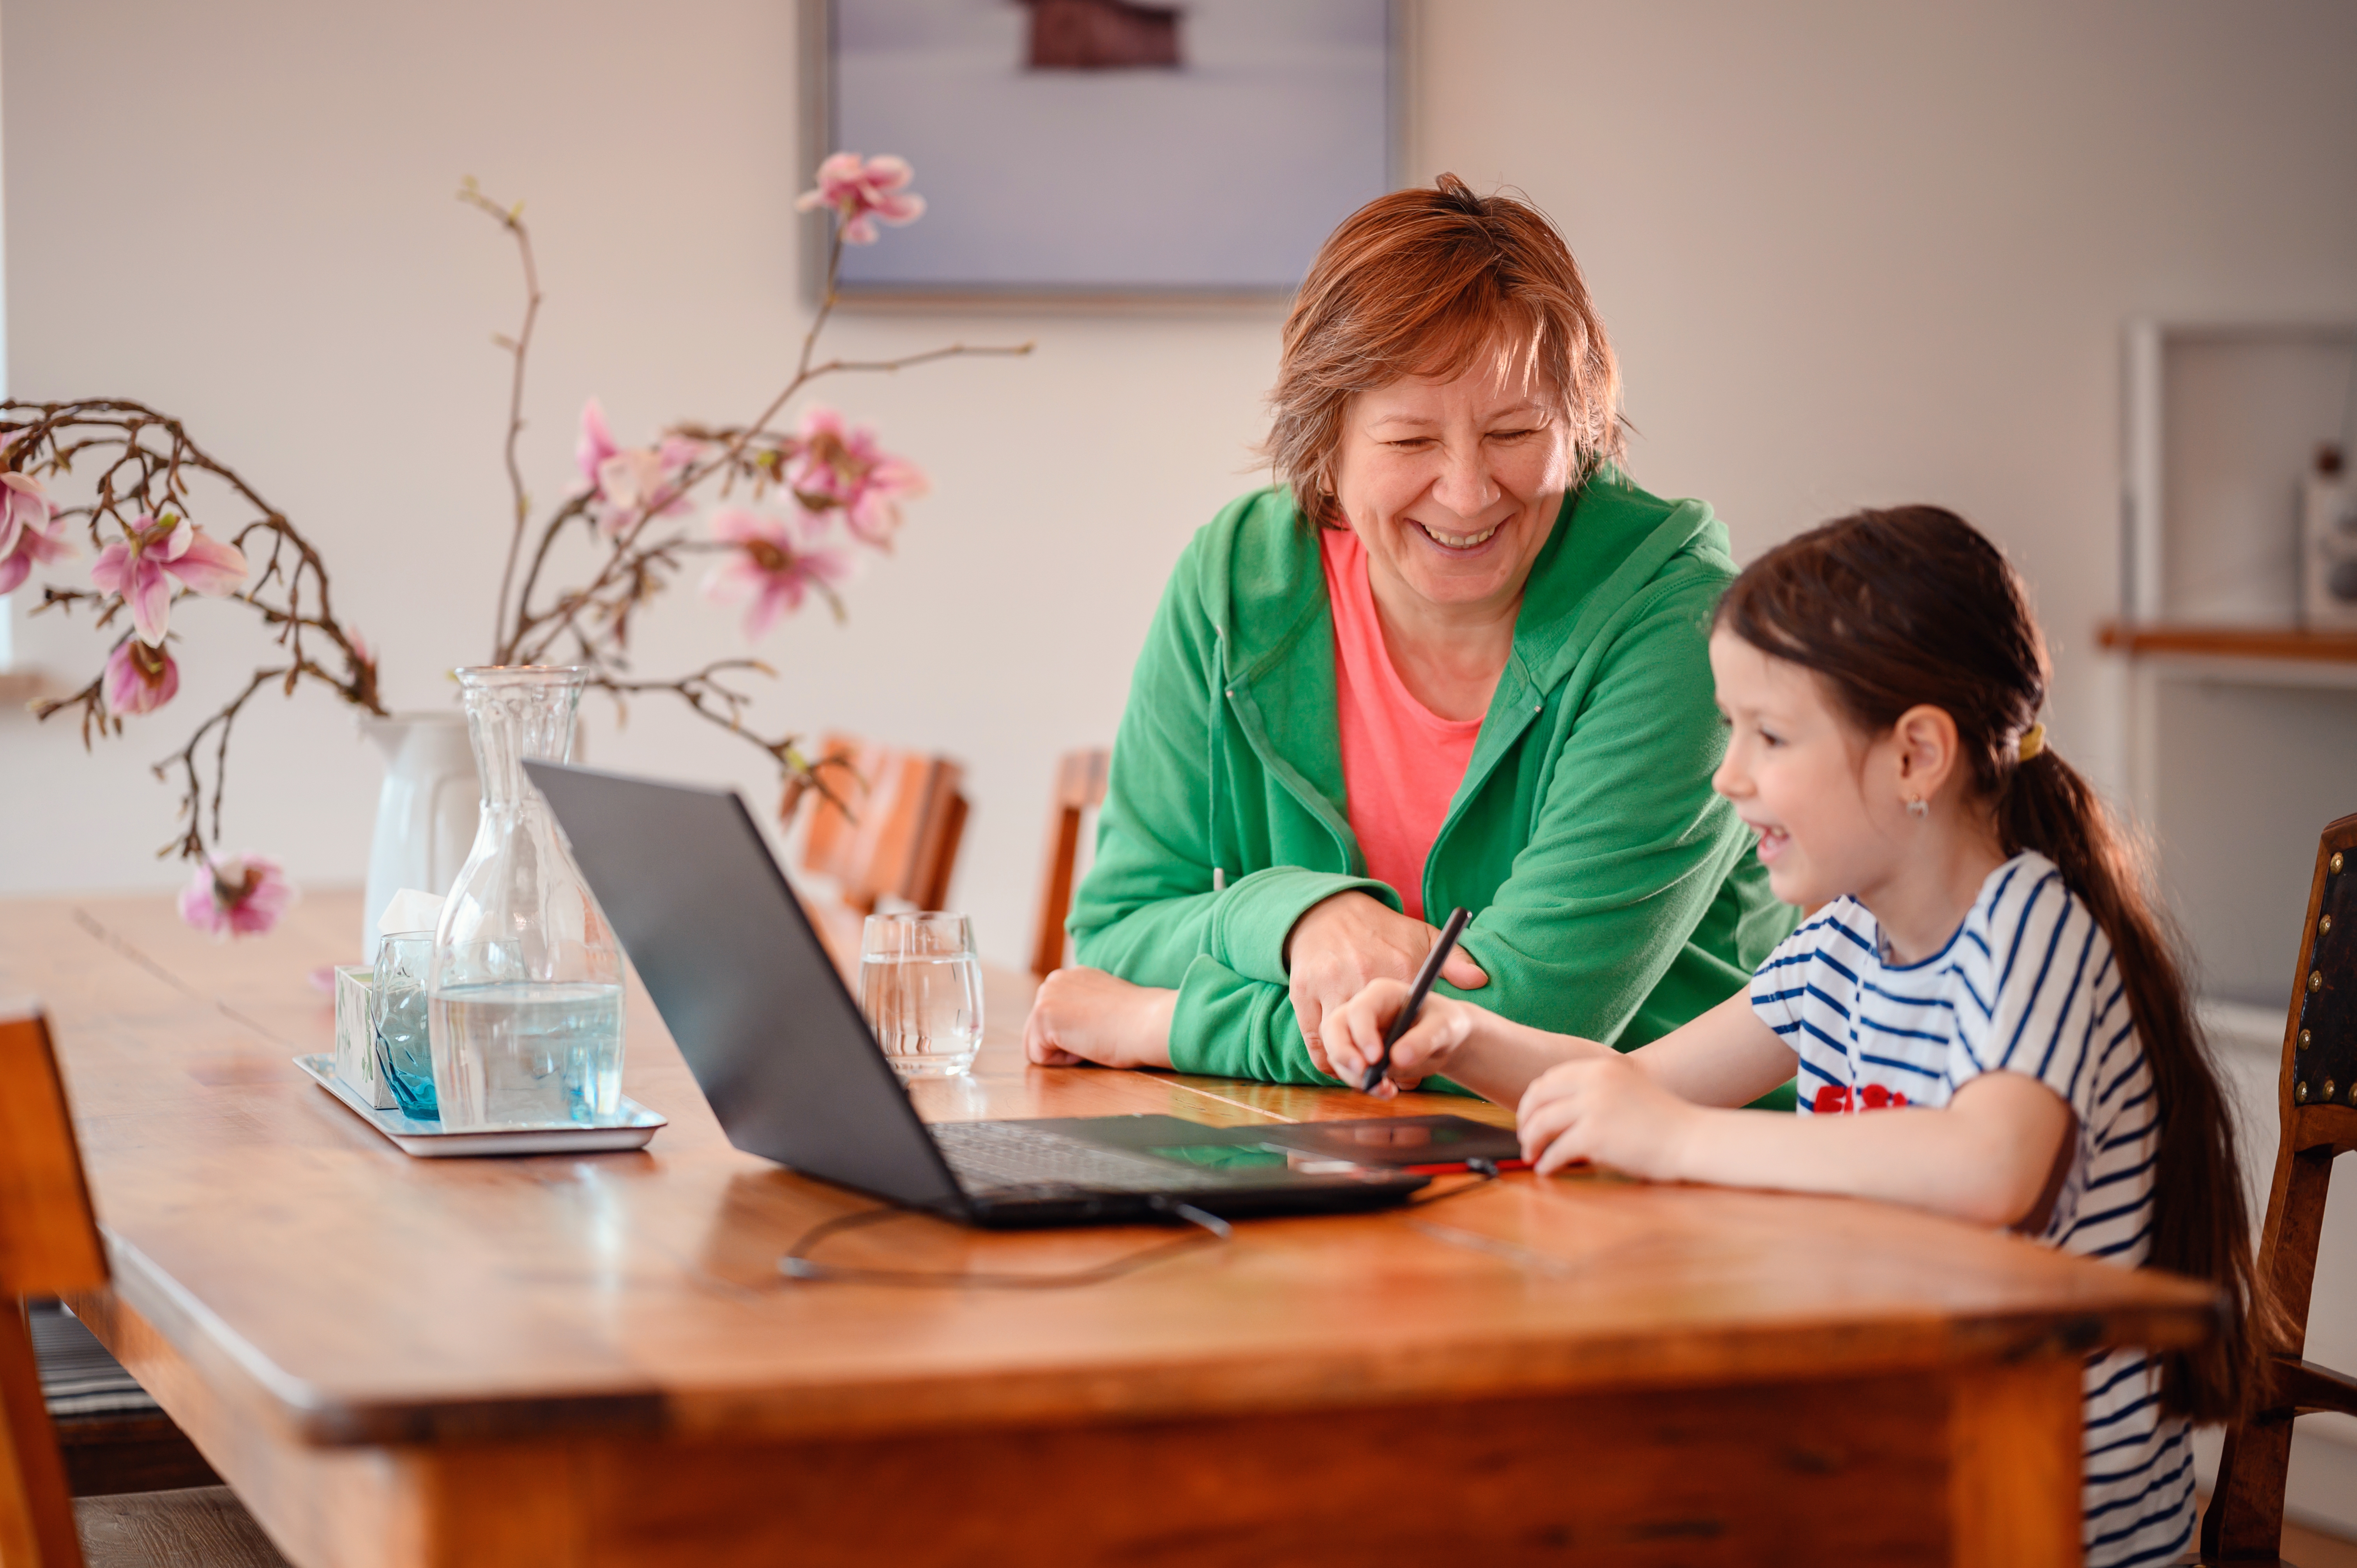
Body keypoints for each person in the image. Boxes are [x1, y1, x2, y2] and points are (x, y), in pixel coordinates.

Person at [1321, 505, 2269, 1567]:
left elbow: (1989, 1165)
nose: (1730, 776)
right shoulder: (1845, 947)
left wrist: (1674, 1141)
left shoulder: (2031, 928)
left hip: (2032, 1520)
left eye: (1768, 736)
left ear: (1916, 755)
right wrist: (1456, 1035)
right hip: (1898, 1487)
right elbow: (1634, 1083)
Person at [1022, 175, 1792, 1088]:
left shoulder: (1680, 625)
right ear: (1327, 450)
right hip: (1349, 1162)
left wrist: (1164, 1022)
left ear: (1579, 433)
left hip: (1666, 1188)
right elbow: (1114, 933)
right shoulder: (1237, 581)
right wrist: (1296, 915)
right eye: (1409, 442)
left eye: (1514, 432)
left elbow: (1513, 1025)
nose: (1468, 493)